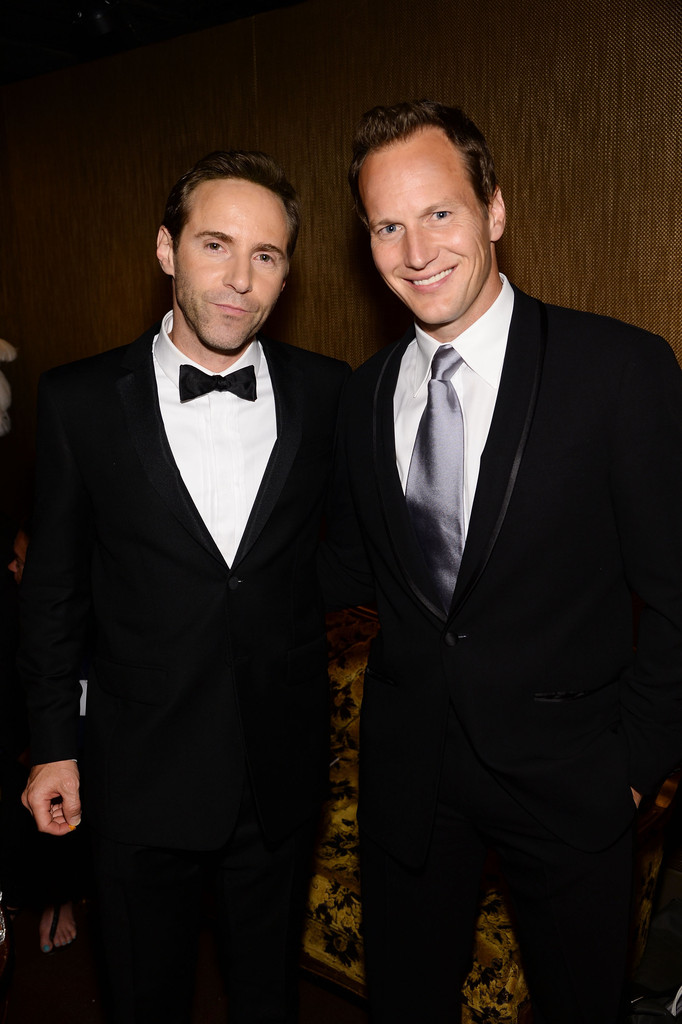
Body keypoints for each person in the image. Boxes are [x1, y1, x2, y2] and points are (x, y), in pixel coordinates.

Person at [320, 100, 682, 1024]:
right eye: (387, 226)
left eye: (439, 212)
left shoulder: (621, 370)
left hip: (572, 790)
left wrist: (631, 770)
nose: (415, 250)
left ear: (495, 209)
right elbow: (351, 576)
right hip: (407, 791)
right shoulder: (363, 396)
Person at [19, 150, 349, 1023]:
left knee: (268, 998)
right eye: (215, 244)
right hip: (135, 772)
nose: (241, 279)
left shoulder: (327, 392)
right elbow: (53, 590)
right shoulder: (80, 399)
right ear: (167, 250)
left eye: (268, 255)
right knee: (141, 997)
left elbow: (348, 558)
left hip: (275, 775)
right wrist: (53, 745)